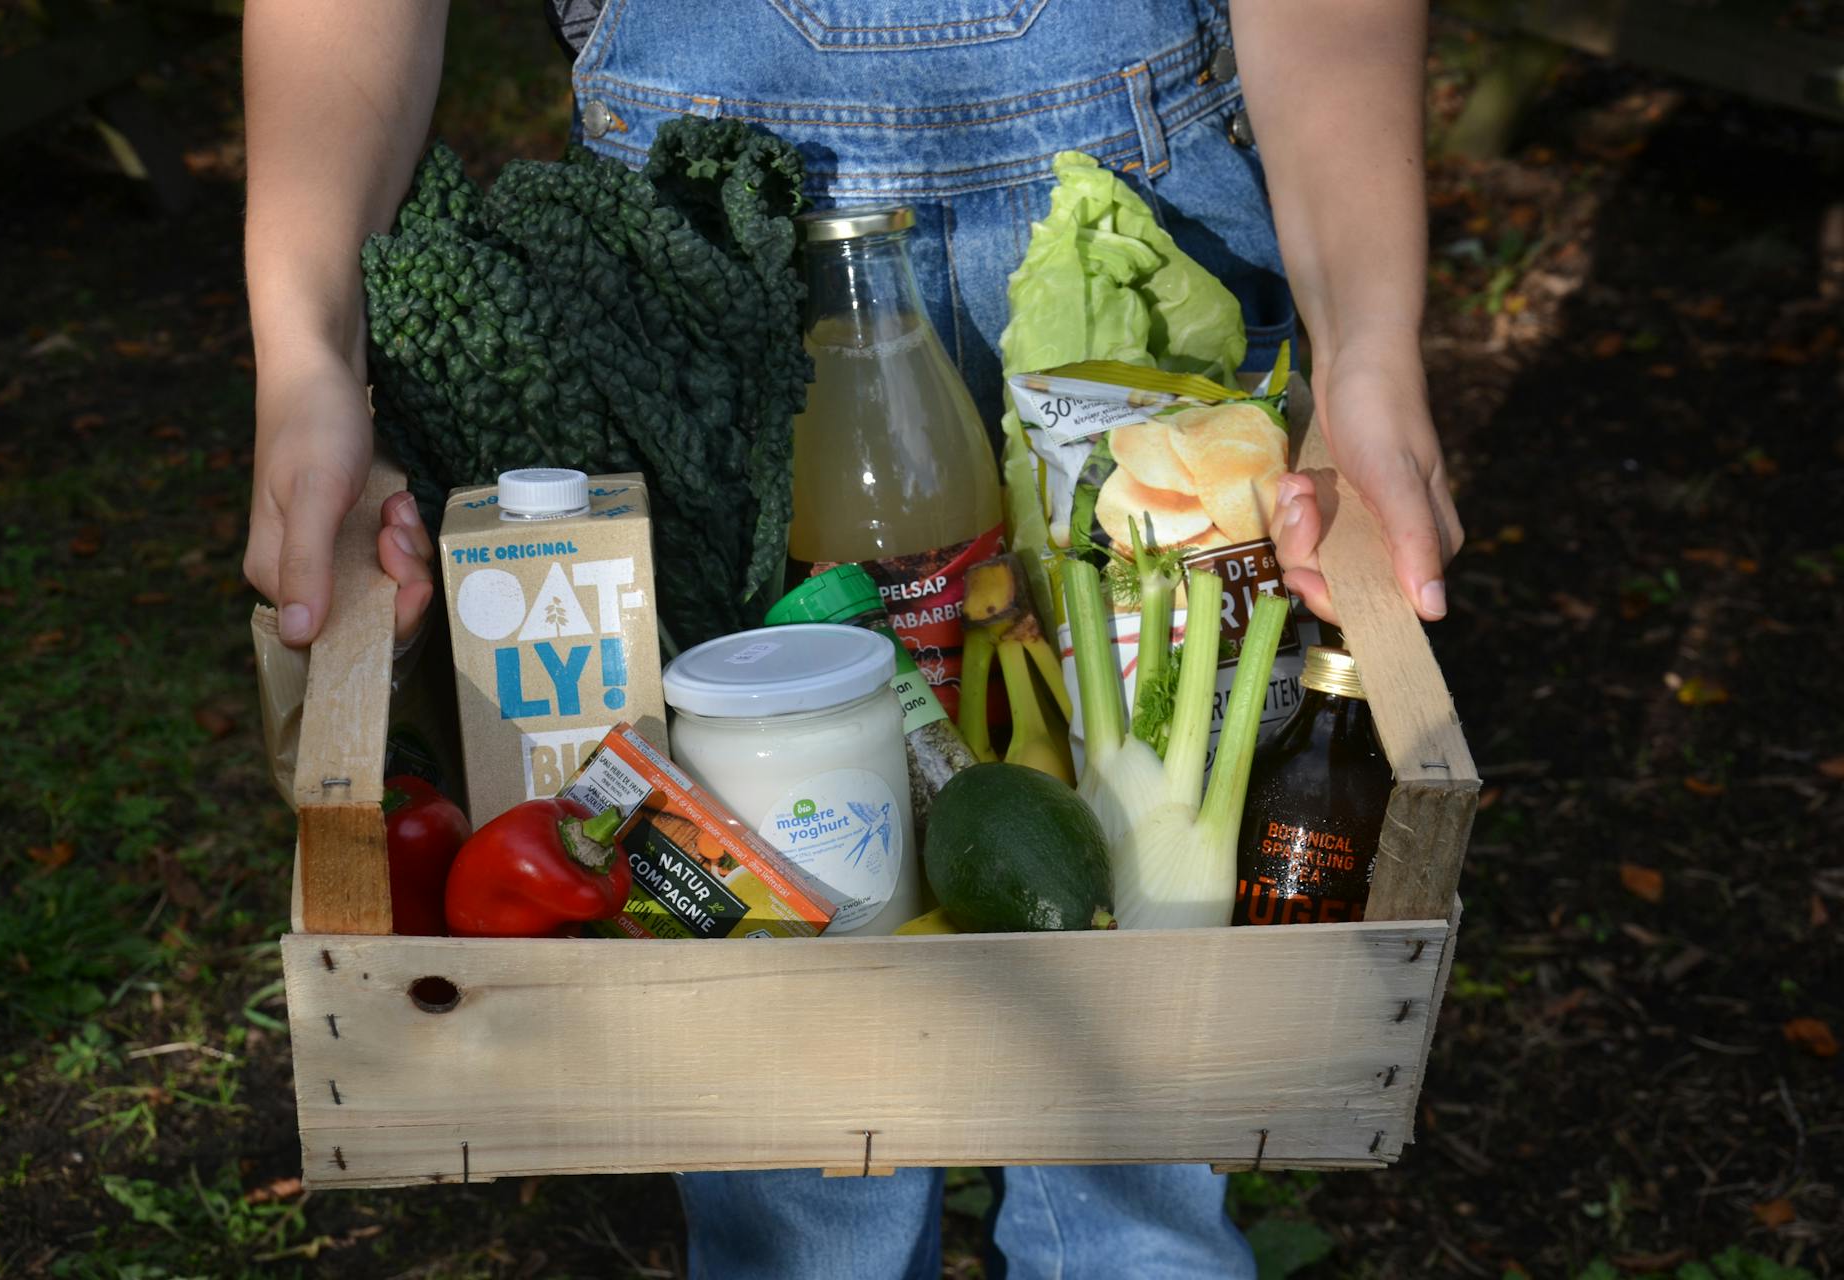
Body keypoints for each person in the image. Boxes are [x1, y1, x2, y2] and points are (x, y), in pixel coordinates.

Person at [242, 1, 1462, 1274]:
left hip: (1148, 252)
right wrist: (307, 361)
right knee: (788, 1112)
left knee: (1156, 1090)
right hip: (711, 277)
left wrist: (1374, 347)